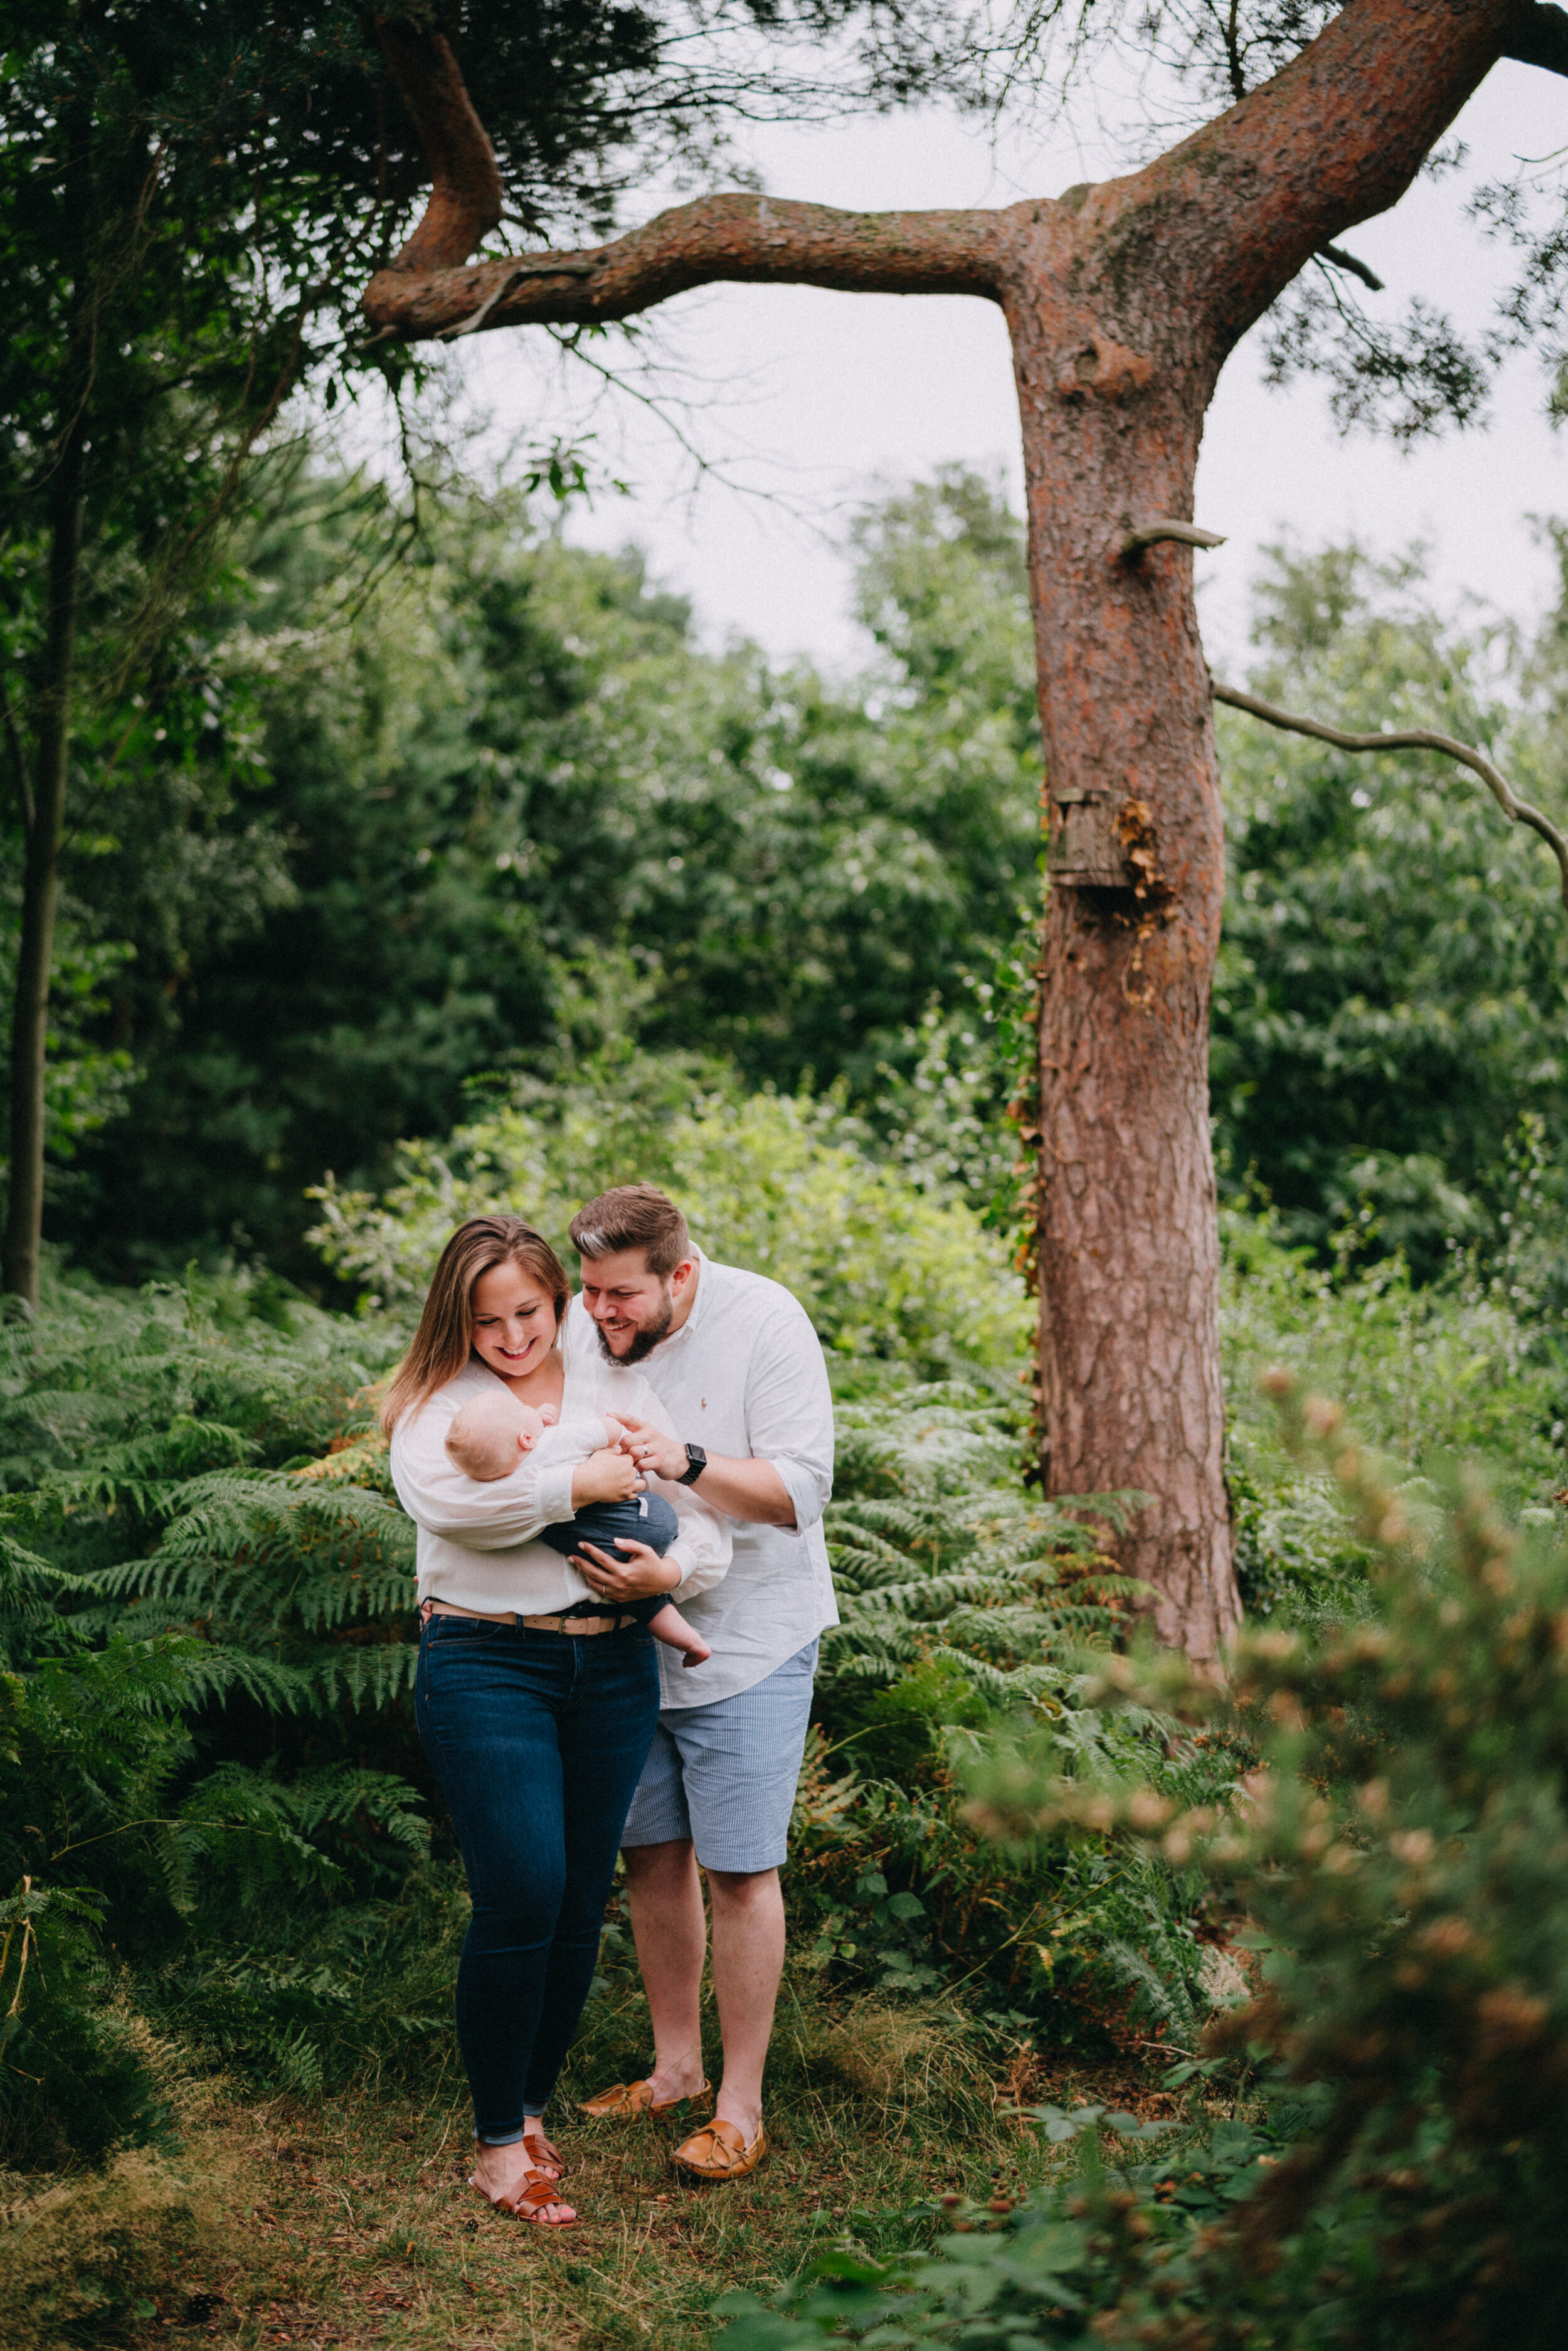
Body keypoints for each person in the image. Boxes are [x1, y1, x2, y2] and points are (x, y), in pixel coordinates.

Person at [384, 1213, 728, 2227]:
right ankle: (497, 2141)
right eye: (487, 1320)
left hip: (614, 1663)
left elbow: (693, 1520)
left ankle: (529, 2108)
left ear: (560, 1298)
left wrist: (674, 1573)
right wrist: (577, 1483)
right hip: (487, 1659)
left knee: (581, 1896)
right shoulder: (439, 1404)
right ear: (458, 1316)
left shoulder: (612, 1384)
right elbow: (453, 1509)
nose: (512, 1336)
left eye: (528, 1311)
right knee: (522, 1886)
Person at [566, 1184, 835, 2183]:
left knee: (738, 1869)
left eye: (620, 1297)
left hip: (752, 1642)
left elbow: (801, 1490)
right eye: (589, 1294)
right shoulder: (583, 1319)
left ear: (679, 1275)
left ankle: (740, 2107)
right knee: (651, 1857)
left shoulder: (765, 1320)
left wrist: (683, 1459)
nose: (599, 1316)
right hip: (624, 1639)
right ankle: (674, 2069)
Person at [443, 1385, 711, 1666]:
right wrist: (616, 1441)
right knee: (635, 1588)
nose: (532, 1409)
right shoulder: (556, 1440)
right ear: (526, 1438)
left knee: (637, 1598)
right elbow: (606, 1429)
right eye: (524, 1409)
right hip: (644, 1517)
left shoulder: (503, 1488)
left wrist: (534, 1420)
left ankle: (690, 1642)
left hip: (600, 1546)